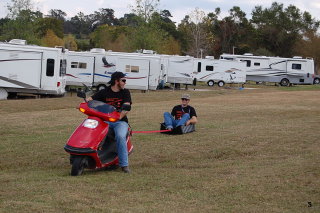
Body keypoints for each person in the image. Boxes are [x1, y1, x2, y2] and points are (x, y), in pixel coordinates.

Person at [86, 72, 132, 173]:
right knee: (89, 130)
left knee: (120, 136)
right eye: (123, 80)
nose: (125, 83)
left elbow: (126, 107)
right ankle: (87, 157)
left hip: (120, 122)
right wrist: (85, 102)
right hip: (104, 121)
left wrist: (118, 117)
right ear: (116, 81)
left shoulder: (125, 92)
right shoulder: (104, 92)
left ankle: (124, 165)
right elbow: (91, 100)